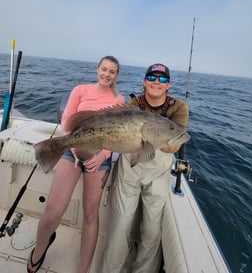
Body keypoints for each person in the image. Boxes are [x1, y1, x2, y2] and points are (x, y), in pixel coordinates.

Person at [27, 56, 124, 273]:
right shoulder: (80, 90)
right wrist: (73, 148)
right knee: (53, 212)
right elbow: (67, 119)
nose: (107, 75)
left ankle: (83, 269)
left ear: (117, 75)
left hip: (99, 158)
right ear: (97, 69)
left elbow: (117, 132)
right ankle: (37, 252)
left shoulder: (119, 99)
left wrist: (102, 155)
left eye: (112, 72)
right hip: (72, 151)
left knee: (91, 215)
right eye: (104, 69)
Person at [102, 63, 189, 273]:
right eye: (151, 77)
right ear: (144, 82)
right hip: (129, 170)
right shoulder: (134, 103)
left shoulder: (179, 108)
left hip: (158, 173)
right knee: (121, 224)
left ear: (168, 85)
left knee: (151, 229)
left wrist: (155, 138)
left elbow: (175, 144)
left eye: (162, 79)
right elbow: (118, 135)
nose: (156, 82)